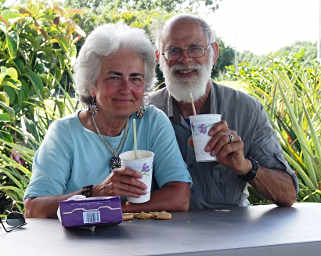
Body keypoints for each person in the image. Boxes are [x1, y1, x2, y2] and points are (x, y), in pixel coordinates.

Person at [24, 23, 192, 218]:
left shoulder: (152, 121)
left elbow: (180, 197)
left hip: (143, 244)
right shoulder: (64, 133)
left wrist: (114, 210)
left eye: (136, 78)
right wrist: (94, 193)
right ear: (92, 85)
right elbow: (33, 208)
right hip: (79, 245)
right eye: (114, 77)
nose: (126, 88)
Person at [149, 14, 298, 209]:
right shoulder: (143, 113)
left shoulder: (246, 110)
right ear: (159, 57)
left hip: (232, 235)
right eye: (173, 50)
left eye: (195, 49)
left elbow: (287, 194)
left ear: (214, 53)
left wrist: (245, 166)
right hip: (161, 232)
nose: (185, 59)